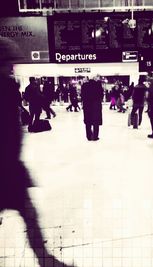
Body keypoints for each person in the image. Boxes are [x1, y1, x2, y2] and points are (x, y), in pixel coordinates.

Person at [0, 39, 74, 267]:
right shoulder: (5, 88)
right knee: (30, 217)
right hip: (6, 170)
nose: (12, 68)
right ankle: (46, 261)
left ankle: (46, 261)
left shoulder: (7, 87)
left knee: (31, 218)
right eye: (8, 63)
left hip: (11, 169)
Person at [81, 75, 104, 141]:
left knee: (88, 121)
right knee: (96, 122)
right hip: (96, 106)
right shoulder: (98, 85)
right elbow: (101, 95)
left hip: (87, 106)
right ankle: (95, 137)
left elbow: (82, 96)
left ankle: (88, 136)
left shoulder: (84, 85)